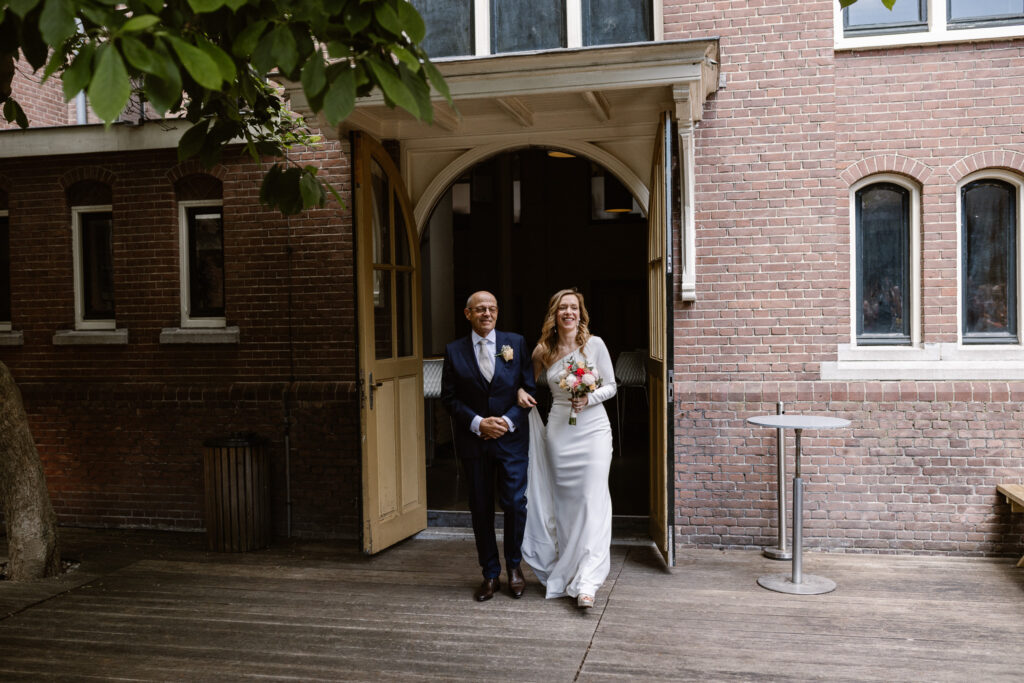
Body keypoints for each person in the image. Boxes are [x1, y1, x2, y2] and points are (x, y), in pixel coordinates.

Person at [518, 288, 616, 609]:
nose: (569, 313)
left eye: (574, 307)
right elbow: (522, 383)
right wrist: (519, 393)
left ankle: (588, 581)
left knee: (592, 499)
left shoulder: (594, 345)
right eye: (563, 308)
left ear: (580, 313)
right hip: (560, 432)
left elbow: (612, 386)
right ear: (554, 314)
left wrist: (590, 397)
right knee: (566, 505)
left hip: (594, 430)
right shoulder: (542, 351)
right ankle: (569, 568)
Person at [442, 291, 537, 601]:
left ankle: (514, 567)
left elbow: (528, 389)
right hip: (475, 442)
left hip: (510, 441)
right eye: (480, 309)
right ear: (467, 314)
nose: (487, 313)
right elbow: (450, 398)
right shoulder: (454, 350)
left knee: (513, 503)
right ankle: (490, 574)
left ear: (498, 312)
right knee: (480, 508)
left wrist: (506, 422)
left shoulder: (516, 343)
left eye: (492, 308)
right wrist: (478, 423)